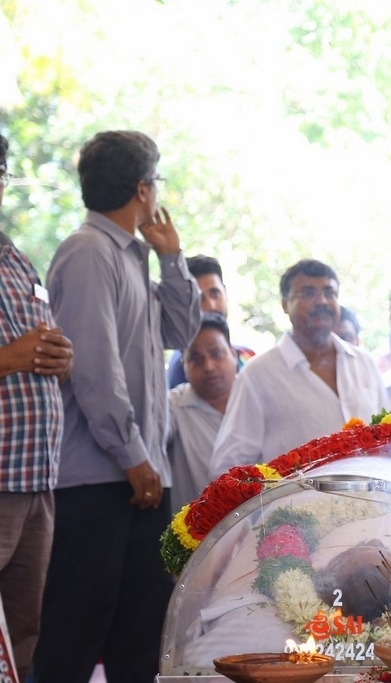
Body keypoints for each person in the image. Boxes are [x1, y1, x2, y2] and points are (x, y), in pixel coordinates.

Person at [36, 130, 200, 682]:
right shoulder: (88, 251)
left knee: (140, 639)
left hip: (138, 473)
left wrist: (172, 259)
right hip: (100, 480)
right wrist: (133, 458)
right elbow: (94, 371)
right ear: (143, 188)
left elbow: (180, 331)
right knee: (74, 640)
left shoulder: (133, 256)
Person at [0, 133, 74, 682]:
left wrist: (61, 358)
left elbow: (40, 348)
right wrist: (10, 358)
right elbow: (16, 354)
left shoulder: (17, 261)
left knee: (22, 632)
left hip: (36, 478)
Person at [209, 259, 385, 475]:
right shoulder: (258, 375)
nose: (322, 301)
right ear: (284, 304)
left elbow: (388, 439)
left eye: (329, 293)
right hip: (295, 497)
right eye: (308, 293)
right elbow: (227, 466)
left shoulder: (364, 363)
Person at [167, 312, 238, 512]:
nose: (208, 366)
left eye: (216, 354)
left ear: (233, 354)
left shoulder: (258, 397)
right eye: (196, 358)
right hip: (198, 529)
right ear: (184, 365)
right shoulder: (173, 406)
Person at [166, 255, 255, 388]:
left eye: (215, 293)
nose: (211, 305)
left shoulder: (247, 357)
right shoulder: (184, 367)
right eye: (199, 299)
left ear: (225, 293)